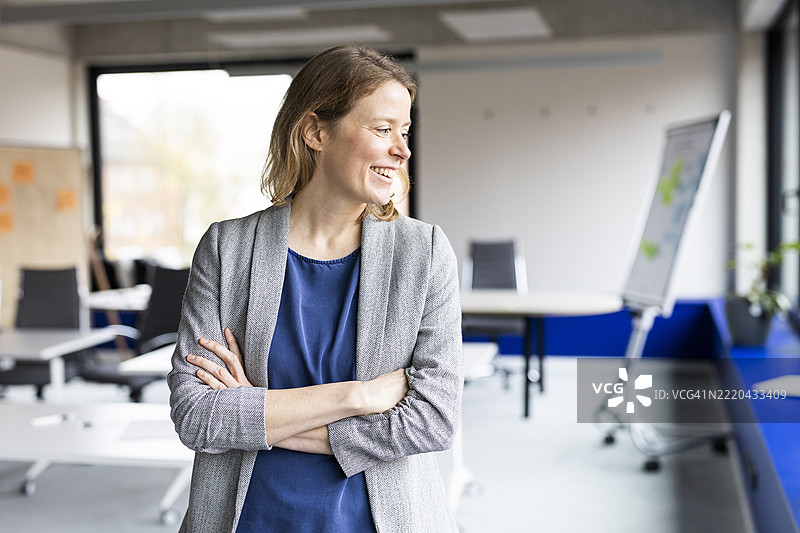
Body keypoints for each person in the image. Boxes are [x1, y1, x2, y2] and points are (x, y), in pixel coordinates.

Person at [167, 44, 463, 533]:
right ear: (315, 131)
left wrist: (259, 411)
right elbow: (199, 416)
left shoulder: (424, 253)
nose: (402, 149)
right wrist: (359, 397)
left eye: (404, 132)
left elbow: (433, 419)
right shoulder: (228, 249)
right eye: (382, 129)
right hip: (251, 517)